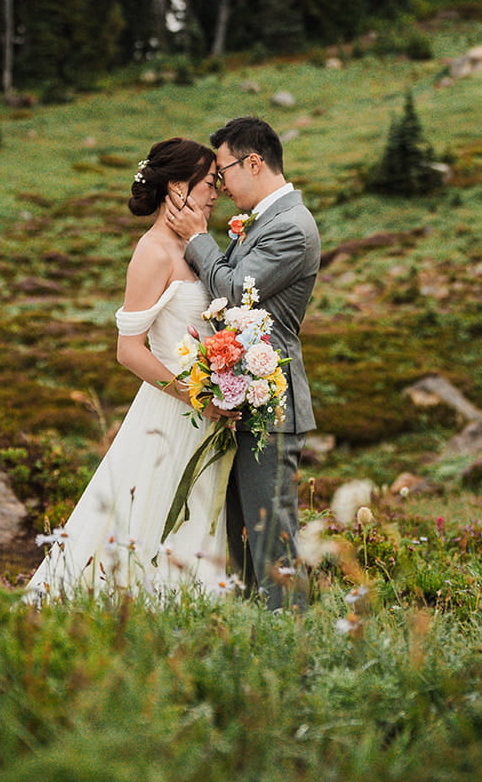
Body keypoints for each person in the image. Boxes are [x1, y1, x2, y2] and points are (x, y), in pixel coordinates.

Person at [25, 137, 231, 601]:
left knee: (199, 516)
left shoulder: (200, 248)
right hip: (175, 410)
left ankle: (197, 608)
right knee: (156, 514)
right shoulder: (153, 251)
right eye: (208, 182)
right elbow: (128, 349)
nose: (216, 192)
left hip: (209, 412)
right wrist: (192, 393)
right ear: (178, 186)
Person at [164, 115, 320, 609]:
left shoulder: (291, 227)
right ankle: (259, 643)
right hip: (245, 401)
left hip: (273, 405)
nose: (222, 186)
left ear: (253, 163)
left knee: (273, 538)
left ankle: (296, 644)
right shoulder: (265, 220)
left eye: (225, 171)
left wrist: (195, 240)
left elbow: (235, 294)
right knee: (243, 541)